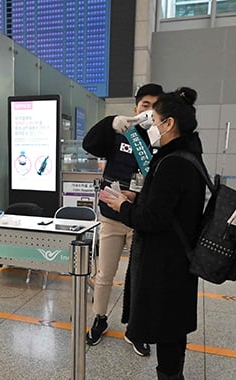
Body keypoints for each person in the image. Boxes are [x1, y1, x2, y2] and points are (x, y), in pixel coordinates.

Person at [99, 87, 206, 380]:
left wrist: (121, 204)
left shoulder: (172, 163)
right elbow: (168, 207)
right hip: (177, 256)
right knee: (172, 323)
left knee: (166, 325)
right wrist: (137, 199)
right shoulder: (187, 155)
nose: (151, 126)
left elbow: (153, 219)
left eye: (155, 120)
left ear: (170, 123)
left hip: (165, 261)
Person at [82, 83, 164, 356]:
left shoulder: (161, 140)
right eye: (145, 105)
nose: (149, 111)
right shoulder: (120, 134)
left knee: (140, 277)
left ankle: (135, 329)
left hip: (142, 219)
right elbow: (89, 144)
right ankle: (100, 319)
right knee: (105, 273)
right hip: (112, 217)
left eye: (155, 106)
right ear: (135, 108)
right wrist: (111, 122)